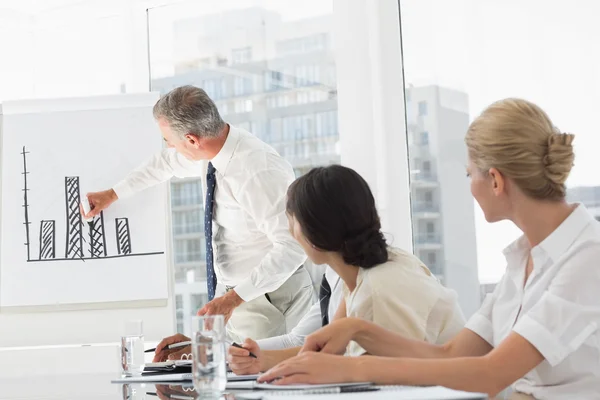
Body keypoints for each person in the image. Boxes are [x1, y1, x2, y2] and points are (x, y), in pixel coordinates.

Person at [258, 98, 600, 399]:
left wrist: (353, 369)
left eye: (470, 175)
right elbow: (453, 355)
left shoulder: (587, 256)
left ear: (495, 180)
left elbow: (491, 374)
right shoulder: (523, 260)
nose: (470, 187)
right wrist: (355, 329)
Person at [84, 85, 314, 343]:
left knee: (260, 377)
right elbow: (165, 163)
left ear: (192, 140)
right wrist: (112, 194)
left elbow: (293, 247)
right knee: (230, 374)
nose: (169, 146)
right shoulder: (213, 152)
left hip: (270, 297)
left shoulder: (256, 170)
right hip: (233, 296)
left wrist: (233, 299)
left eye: (169, 141)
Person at [227, 165, 465, 375]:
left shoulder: (378, 289)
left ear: (315, 234)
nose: (290, 233)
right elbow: (328, 353)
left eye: (291, 221)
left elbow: (387, 382)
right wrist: (262, 360)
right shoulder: (363, 273)